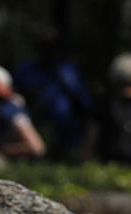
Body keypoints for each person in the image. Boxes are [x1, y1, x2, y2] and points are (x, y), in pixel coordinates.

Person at [13, 27, 94, 160]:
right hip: (34, 124)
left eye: (51, 46)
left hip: (67, 130)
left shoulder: (69, 71)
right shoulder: (26, 70)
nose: (47, 50)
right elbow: (13, 97)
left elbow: (85, 104)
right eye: (43, 45)